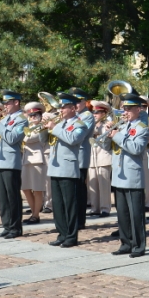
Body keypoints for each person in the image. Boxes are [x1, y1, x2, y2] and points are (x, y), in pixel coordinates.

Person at [45, 92, 90, 248]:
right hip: (55, 167)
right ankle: (61, 233)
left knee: (69, 204)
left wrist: (54, 127)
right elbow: (47, 141)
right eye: (61, 107)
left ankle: (71, 236)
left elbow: (73, 139)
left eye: (63, 107)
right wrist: (45, 128)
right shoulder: (60, 123)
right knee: (58, 205)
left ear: (72, 108)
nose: (60, 110)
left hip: (68, 168)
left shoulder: (80, 124)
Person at [110, 93, 149, 257]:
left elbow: (136, 149)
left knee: (136, 214)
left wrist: (117, 136)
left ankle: (139, 246)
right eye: (124, 108)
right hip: (119, 174)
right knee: (122, 213)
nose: (124, 112)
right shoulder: (121, 126)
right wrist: (109, 135)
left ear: (138, 109)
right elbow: (113, 147)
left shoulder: (143, 128)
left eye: (128, 109)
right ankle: (125, 243)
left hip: (132, 175)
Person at [0, 90, 28, 239]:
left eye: (7, 102)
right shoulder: (5, 119)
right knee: (3, 197)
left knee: (12, 196)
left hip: (11, 161)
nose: (5, 105)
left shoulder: (22, 120)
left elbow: (12, 138)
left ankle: (15, 227)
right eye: (4, 103)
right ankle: (6, 225)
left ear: (16, 102)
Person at [69, 87, 94, 230]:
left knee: (79, 189)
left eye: (79, 101)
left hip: (80, 156)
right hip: (70, 156)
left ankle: (80, 219)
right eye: (74, 101)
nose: (76, 104)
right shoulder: (74, 116)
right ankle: (73, 218)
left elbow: (78, 135)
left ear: (85, 102)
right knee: (72, 189)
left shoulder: (87, 116)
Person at [20, 101, 48, 225]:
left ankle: (36, 215)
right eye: (30, 116)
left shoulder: (42, 128)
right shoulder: (28, 127)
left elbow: (28, 139)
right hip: (26, 160)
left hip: (37, 160)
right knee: (25, 188)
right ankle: (33, 212)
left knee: (37, 190)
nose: (32, 118)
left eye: (35, 115)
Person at [87, 100, 113, 217]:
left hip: (104, 156)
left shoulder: (108, 123)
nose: (95, 114)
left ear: (104, 113)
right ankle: (95, 207)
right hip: (92, 157)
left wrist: (99, 127)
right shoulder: (90, 124)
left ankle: (105, 208)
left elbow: (105, 139)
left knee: (104, 185)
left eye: (97, 112)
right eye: (94, 112)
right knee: (92, 183)